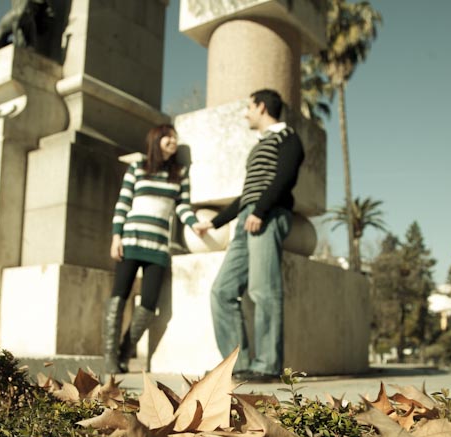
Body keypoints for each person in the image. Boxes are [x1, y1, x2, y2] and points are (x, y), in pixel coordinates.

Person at [195, 89, 305, 383]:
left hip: (267, 216)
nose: (245, 113)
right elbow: (247, 195)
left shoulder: (288, 138)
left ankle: (268, 365)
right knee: (222, 291)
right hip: (248, 218)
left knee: (263, 289)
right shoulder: (259, 146)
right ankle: (238, 363)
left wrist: (262, 210)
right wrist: (215, 223)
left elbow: (285, 178)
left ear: (261, 107)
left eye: (248, 107)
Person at [103, 124, 208, 374]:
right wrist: (116, 237)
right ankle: (109, 356)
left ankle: (124, 352)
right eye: (168, 137)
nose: (173, 141)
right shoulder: (137, 168)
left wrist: (196, 225)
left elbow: (183, 206)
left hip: (158, 246)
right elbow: (123, 204)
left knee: (149, 305)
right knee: (119, 298)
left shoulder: (179, 173)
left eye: (175, 138)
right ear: (156, 140)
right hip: (131, 240)